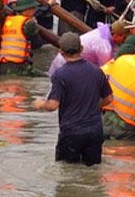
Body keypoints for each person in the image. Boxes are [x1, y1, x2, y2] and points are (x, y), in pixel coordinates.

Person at [33, 32, 113, 166]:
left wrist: (40, 104)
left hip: (72, 132)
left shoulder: (60, 74)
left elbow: (53, 105)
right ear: (81, 49)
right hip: (95, 131)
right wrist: (94, 105)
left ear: (61, 52)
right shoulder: (96, 71)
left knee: (67, 171)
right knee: (92, 172)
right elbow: (109, 98)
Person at [47, 19, 134, 76]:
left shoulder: (102, 30)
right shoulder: (104, 47)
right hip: (65, 66)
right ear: (116, 35)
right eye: (124, 38)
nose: (124, 41)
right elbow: (106, 72)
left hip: (63, 61)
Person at [0, 0, 41, 76]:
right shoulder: (29, 23)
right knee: (47, 78)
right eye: (33, 8)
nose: (35, 11)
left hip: (3, 64)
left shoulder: (8, 20)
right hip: (19, 66)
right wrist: (35, 26)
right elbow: (37, 44)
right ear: (28, 10)